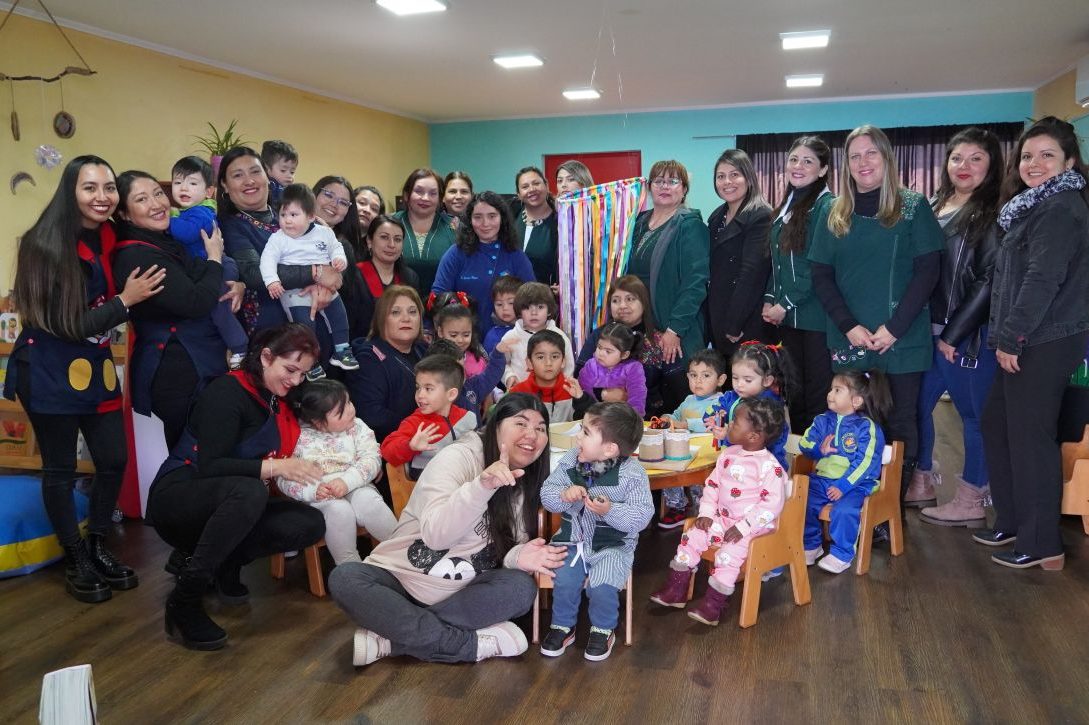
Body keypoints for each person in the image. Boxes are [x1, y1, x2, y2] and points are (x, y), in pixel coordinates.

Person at [5, 155, 164, 603]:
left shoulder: (111, 233)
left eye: (109, 187)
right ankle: (74, 556)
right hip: (48, 369)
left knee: (113, 460)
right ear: (70, 191)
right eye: (90, 187)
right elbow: (66, 323)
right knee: (60, 468)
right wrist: (125, 301)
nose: (102, 196)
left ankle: (96, 544)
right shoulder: (43, 244)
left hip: (94, 367)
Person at [328, 392, 565, 667]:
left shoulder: (530, 481)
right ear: (495, 426)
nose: (532, 435)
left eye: (540, 428)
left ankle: (392, 640)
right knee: (345, 578)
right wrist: (482, 487)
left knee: (521, 588)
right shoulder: (457, 458)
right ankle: (468, 645)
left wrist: (518, 556)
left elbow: (504, 552)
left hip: (462, 595)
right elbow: (437, 536)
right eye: (521, 423)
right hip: (402, 581)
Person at [147, 324, 327, 650]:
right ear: (266, 357)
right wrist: (278, 467)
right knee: (250, 490)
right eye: (290, 370)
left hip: (229, 499)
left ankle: (226, 564)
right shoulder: (226, 393)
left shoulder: (273, 396)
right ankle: (184, 600)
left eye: (303, 374)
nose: (296, 381)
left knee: (308, 522)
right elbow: (210, 466)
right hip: (178, 496)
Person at [809, 125, 944, 498]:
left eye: (871, 153)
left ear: (886, 157)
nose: (863, 162)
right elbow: (821, 275)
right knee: (854, 422)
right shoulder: (832, 212)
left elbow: (928, 272)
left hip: (902, 338)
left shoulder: (913, 207)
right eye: (855, 156)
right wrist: (848, 325)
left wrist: (894, 328)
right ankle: (853, 505)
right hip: (849, 337)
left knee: (900, 421)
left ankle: (887, 509)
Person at [978, 117, 1089, 570]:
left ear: (1069, 161)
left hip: (1044, 337)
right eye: (1027, 156)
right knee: (997, 424)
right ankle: (1013, 521)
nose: (1034, 163)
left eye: (1047, 155)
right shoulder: (1033, 206)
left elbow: (1042, 280)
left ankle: (1043, 543)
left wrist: (1012, 337)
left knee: (1030, 438)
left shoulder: (1060, 208)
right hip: (1031, 335)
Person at [912, 128, 1003, 523]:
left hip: (966, 336)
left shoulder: (994, 212)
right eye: (957, 158)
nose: (964, 166)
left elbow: (988, 280)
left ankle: (972, 498)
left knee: (973, 416)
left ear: (992, 165)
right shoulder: (933, 204)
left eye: (976, 158)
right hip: (925, 329)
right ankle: (921, 480)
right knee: (917, 406)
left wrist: (954, 333)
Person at [112, 170, 231, 450]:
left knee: (204, 452)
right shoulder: (138, 255)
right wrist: (215, 258)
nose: (156, 204)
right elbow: (196, 301)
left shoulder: (166, 241)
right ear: (125, 214)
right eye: (142, 199)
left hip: (192, 363)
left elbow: (199, 277)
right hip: (178, 370)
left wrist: (230, 281)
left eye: (157, 193)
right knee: (189, 456)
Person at [649, 397, 789, 626]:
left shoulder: (769, 467)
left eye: (735, 422)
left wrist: (743, 527)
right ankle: (676, 589)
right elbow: (712, 486)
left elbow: (771, 505)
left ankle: (715, 604)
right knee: (692, 536)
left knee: (728, 554)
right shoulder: (727, 455)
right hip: (721, 519)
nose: (729, 424)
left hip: (752, 528)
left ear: (753, 436)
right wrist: (705, 513)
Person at [539, 402, 652, 660]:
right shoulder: (571, 460)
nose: (578, 437)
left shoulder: (632, 474)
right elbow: (547, 494)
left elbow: (641, 516)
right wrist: (563, 495)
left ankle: (603, 628)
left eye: (586, 432)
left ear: (609, 448)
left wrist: (610, 510)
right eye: (581, 429)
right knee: (564, 579)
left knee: (603, 583)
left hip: (612, 546)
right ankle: (562, 626)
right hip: (572, 541)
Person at [659, 342, 792, 528]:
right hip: (736, 463)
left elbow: (759, 442)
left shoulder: (768, 408)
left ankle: (744, 529)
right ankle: (724, 523)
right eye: (736, 378)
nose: (739, 384)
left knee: (742, 505)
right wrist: (715, 417)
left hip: (761, 470)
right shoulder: (732, 397)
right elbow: (712, 412)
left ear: (767, 380)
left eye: (747, 380)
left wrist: (728, 435)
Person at [217, 147, 342, 334]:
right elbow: (253, 273)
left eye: (255, 171)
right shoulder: (230, 226)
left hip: (321, 317)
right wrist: (316, 272)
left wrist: (328, 285)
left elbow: (332, 249)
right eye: (237, 175)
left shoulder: (289, 212)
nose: (249, 181)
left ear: (267, 176)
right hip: (276, 329)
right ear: (225, 185)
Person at [278, 378, 397, 564]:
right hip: (319, 498)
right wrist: (313, 490)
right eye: (340, 411)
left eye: (349, 402)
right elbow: (284, 476)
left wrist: (346, 482)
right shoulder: (298, 437)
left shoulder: (357, 427)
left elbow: (371, 458)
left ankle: (403, 549)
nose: (350, 410)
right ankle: (349, 566)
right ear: (318, 422)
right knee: (339, 511)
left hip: (356, 485)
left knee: (369, 502)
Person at [763, 136, 836, 434]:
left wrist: (784, 304)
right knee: (794, 390)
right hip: (790, 319)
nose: (798, 166)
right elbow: (778, 263)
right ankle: (799, 451)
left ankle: (817, 456)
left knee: (818, 393)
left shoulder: (827, 206)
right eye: (794, 159)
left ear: (823, 170)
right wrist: (770, 298)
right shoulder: (787, 205)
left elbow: (817, 267)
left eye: (808, 161)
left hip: (816, 318)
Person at [629, 160, 710, 414]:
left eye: (673, 181)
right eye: (659, 181)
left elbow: (696, 281)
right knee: (646, 406)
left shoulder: (690, 225)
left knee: (680, 406)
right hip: (642, 329)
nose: (665, 186)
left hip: (676, 330)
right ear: (650, 187)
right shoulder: (638, 222)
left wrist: (675, 329)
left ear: (683, 189)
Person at [260, 184, 358, 380]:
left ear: (311, 216)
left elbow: (336, 248)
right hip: (295, 292)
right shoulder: (278, 238)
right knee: (304, 326)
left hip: (326, 287)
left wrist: (339, 260)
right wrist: (272, 281)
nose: (287, 220)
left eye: (294, 215)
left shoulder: (324, 233)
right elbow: (267, 260)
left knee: (339, 314)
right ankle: (310, 362)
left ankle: (342, 350)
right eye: (283, 215)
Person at [801, 370, 892, 574]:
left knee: (844, 510)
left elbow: (866, 463)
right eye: (831, 389)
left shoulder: (867, 427)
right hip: (822, 480)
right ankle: (811, 545)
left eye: (837, 390)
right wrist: (819, 450)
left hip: (855, 485)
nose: (830, 394)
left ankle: (842, 554)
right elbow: (804, 443)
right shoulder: (822, 420)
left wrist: (843, 485)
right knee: (802, 499)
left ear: (856, 401)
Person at [168, 155, 248, 369]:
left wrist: (166, 219)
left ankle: (240, 346)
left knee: (219, 308)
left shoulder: (203, 212)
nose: (184, 188)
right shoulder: (186, 211)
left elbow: (186, 233)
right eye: (178, 182)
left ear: (209, 191)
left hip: (220, 266)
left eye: (192, 183)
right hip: (208, 268)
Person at [575, 275, 675, 416]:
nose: (622, 306)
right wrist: (602, 393)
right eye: (616, 300)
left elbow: (673, 385)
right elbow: (579, 377)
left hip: (648, 417)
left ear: (644, 303)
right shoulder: (599, 335)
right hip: (599, 415)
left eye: (630, 299)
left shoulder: (659, 340)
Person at [432, 190, 535, 326]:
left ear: (502, 218)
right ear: (469, 220)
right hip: (463, 335)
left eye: (492, 216)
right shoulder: (455, 254)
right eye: (478, 217)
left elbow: (532, 298)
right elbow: (438, 297)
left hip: (508, 335)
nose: (485, 223)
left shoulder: (516, 256)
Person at [706, 149, 773, 356]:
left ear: (749, 177)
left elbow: (751, 274)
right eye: (721, 176)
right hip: (718, 311)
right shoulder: (716, 216)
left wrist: (734, 323)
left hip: (744, 319)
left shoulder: (761, 215)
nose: (727, 182)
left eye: (734, 174)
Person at [347, 285, 428, 443]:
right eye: (395, 312)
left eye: (412, 312)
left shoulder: (424, 350)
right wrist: (417, 428)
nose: (406, 318)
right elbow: (372, 415)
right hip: (389, 445)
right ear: (382, 319)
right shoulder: (368, 359)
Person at [379, 354, 478, 479]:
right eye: (418, 388)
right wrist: (410, 446)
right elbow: (387, 450)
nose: (420, 395)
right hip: (428, 485)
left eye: (428, 389)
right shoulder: (415, 423)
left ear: (451, 394)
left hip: (463, 480)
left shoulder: (467, 418)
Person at [310, 176, 371, 342]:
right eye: (328, 195)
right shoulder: (285, 230)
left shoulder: (343, 247)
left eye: (343, 202)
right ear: (314, 195)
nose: (334, 204)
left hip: (325, 335)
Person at [393, 168, 457, 296]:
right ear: (406, 194)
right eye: (419, 191)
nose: (425, 198)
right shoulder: (391, 224)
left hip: (442, 305)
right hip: (395, 303)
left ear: (440, 199)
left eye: (433, 193)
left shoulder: (454, 228)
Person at [355, 214, 420, 338]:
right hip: (362, 345)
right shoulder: (354, 275)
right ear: (369, 241)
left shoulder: (410, 277)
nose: (391, 245)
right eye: (384, 237)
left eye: (398, 239)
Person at [501, 281, 573, 388]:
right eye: (527, 308)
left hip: (552, 394)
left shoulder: (560, 336)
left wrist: (563, 388)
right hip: (520, 394)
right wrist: (509, 376)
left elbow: (568, 367)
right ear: (520, 311)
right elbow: (500, 364)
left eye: (540, 307)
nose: (534, 313)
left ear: (549, 310)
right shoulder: (511, 337)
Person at [509, 330, 592, 423]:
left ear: (563, 361)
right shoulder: (517, 393)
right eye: (540, 357)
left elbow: (593, 420)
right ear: (529, 363)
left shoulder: (572, 390)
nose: (548, 363)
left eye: (555, 357)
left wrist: (581, 399)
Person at [577, 322, 648, 417]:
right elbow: (584, 392)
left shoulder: (633, 368)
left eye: (608, 351)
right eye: (599, 347)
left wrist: (634, 417)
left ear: (624, 355)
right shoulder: (591, 365)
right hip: (595, 414)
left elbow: (637, 396)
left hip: (622, 417)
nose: (601, 353)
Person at [511, 167, 559, 284]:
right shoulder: (511, 215)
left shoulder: (559, 221)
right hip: (511, 292)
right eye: (525, 187)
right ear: (518, 194)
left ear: (546, 186)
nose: (532, 189)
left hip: (544, 293)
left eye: (536, 183)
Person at [663, 349, 728, 432]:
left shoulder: (721, 402)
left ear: (720, 380)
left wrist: (686, 425)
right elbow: (676, 417)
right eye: (693, 375)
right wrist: (667, 418)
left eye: (706, 375)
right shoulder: (689, 399)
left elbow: (712, 423)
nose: (698, 380)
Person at [432, 293, 491, 377]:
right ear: (440, 332)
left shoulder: (478, 360)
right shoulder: (433, 361)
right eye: (453, 335)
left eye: (466, 335)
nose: (460, 340)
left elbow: (487, 381)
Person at [482, 274, 523, 355]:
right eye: (499, 304)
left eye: (511, 303)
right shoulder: (492, 336)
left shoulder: (531, 327)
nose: (505, 308)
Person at [261, 140, 298, 205]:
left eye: (292, 172)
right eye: (283, 170)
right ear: (268, 169)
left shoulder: (289, 191)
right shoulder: (267, 189)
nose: (289, 176)